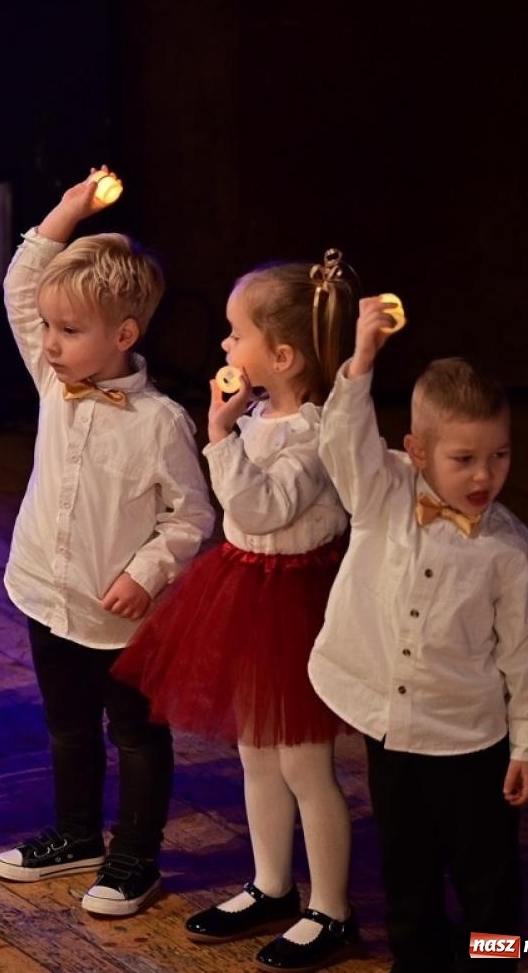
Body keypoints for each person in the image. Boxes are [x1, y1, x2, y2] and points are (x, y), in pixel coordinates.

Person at [113, 255, 360, 969]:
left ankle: (332, 909)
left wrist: (219, 436)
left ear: (281, 356)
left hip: (292, 602)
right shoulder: (260, 413)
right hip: (247, 588)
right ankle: (273, 883)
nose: (225, 346)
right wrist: (232, 427)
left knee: (305, 762)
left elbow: (260, 505)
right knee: (256, 750)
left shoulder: (312, 435)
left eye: (236, 333)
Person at [0, 169, 215, 916]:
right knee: (67, 726)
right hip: (47, 590)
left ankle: (135, 857)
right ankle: (77, 833)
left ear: (124, 335)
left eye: (69, 330)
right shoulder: (55, 381)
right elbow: (23, 283)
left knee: (137, 735)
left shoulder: (160, 423)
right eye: (48, 328)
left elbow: (191, 516)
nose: (49, 342)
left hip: (123, 611)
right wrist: (69, 209)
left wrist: (147, 573)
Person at [311, 301, 528, 971]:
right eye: (465, 458)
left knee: (488, 878)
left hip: (472, 737)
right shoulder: (383, 491)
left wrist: (527, 743)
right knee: (406, 864)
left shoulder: (511, 551)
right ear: (416, 452)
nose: (485, 475)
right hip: (394, 730)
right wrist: (362, 357)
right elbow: (342, 439)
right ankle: (416, 959)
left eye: (499, 455)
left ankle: (494, 962)